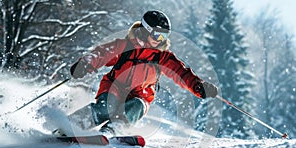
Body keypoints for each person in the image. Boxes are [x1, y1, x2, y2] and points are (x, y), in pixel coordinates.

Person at [70, 10, 218, 134]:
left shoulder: (162, 56)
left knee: (137, 106)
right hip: (114, 87)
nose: (160, 40)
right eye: (157, 35)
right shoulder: (125, 46)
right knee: (106, 107)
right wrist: (85, 64)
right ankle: (73, 124)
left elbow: (181, 73)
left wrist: (199, 86)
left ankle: (113, 129)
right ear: (145, 30)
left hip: (141, 94)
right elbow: (102, 53)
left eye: (164, 36)